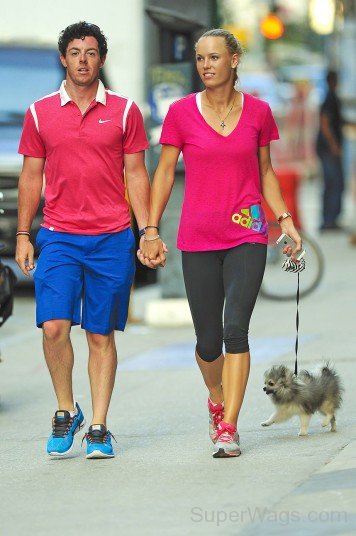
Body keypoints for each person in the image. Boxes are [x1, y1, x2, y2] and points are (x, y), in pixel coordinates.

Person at [138, 29, 302, 458]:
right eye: (199, 58)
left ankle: (229, 425)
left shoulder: (260, 112)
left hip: (247, 231)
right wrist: (150, 229)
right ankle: (216, 397)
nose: (206, 65)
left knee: (235, 331)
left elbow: (266, 171)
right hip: (198, 236)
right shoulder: (180, 113)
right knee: (208, 342)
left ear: (234, 60)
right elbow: (163, 173)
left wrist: (284, 220)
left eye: (214, 57)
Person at [16, 21, 151, 459]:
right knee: (54, 326)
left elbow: (136, 173)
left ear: (102, 60)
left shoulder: (126, 111)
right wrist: (23, 234)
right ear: (64, 58)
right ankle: (64, 410)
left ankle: (98, 425)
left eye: (91, 52)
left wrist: (147, 230)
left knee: (99, 334)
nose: (82, 60)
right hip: (58, 236)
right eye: (75, 52)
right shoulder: (39, 112)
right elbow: (31, 176)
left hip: (112, 237)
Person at [316, 70, 344, 231]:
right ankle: (329, 220)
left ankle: (331, 219)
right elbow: (325, 123)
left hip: (328, 149)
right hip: (328, 149)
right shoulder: (329, 99)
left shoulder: (331, 97)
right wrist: (333, 145)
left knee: (334, 183)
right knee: (333, 183)